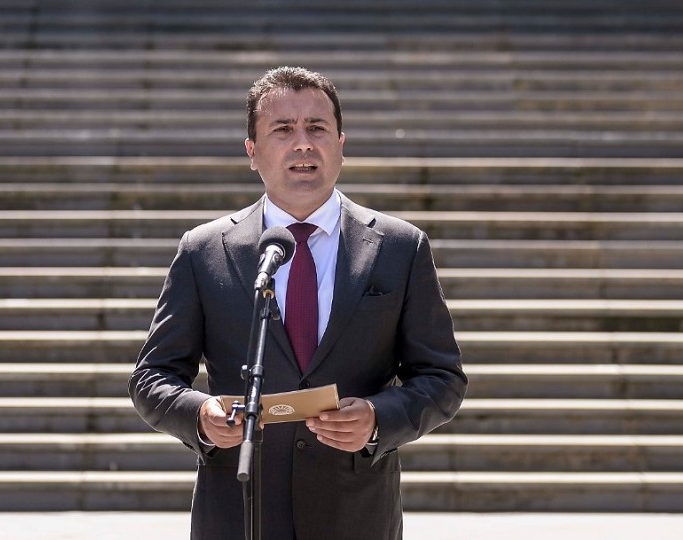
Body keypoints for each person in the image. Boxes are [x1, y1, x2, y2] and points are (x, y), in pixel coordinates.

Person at [129, 66, 467, 540]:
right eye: (283, 129)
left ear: (341, 145)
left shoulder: (399, 247)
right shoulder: (204, 251)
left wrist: (378, 419)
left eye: (317, 128)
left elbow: (442, 378)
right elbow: (151, 377)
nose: (303, 144)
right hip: (238, 513)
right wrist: (201, 416)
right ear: (252, 152)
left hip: (356, 515)